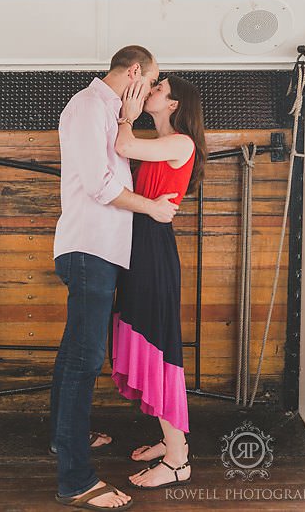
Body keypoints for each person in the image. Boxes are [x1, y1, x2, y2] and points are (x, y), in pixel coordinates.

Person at [50, 45, 180, 511]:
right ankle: (76, 479)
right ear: (133, 73)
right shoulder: (89, 106)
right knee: (85, 362)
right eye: (150, 81)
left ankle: (64, 438)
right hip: (90, 249)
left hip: (97, 250)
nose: (147, 91)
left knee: (73, 358)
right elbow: (99, 184)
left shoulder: (109, 110)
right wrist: (152, 208)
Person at [111, 76, 207, 490]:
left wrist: (125, 116)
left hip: (152, 249)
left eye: (159, 88)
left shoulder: (182, 142)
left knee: (158, 343)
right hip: (140, 246)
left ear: (174, 104)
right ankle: (172, 439)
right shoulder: (161, 140)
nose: (150, 90)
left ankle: (177, 458)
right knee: (148, 339)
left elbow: (124, 147)